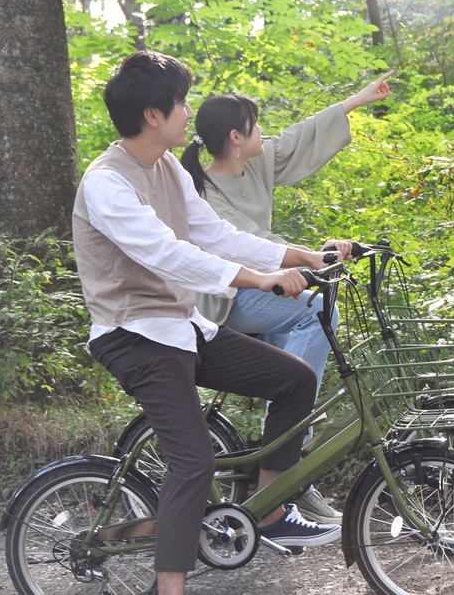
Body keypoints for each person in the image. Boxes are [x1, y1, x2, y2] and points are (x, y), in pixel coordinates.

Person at [73, 50, 347, 595]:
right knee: (193, 461)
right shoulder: (107, 183)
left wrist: (300, 257)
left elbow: (214, 234)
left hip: (183, 325)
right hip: (134, 336)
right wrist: (256, 279)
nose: (187, 111)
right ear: (154, 115)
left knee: (295, 379)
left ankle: (268, 512)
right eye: (180, 102)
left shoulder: (169, 168)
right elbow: (169, 254)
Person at [177, 71, 393, 524]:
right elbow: (245, 244)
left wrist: (358, 98)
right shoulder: (203, 191)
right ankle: (287, 454)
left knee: (305, 322)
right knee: (315, 312)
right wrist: (309, 260)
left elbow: (298, 138)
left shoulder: (252, 161)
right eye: (255, 126)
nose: (264, 133)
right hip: (228, 295)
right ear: (235, 137)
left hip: (268, 284)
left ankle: (292, 479)